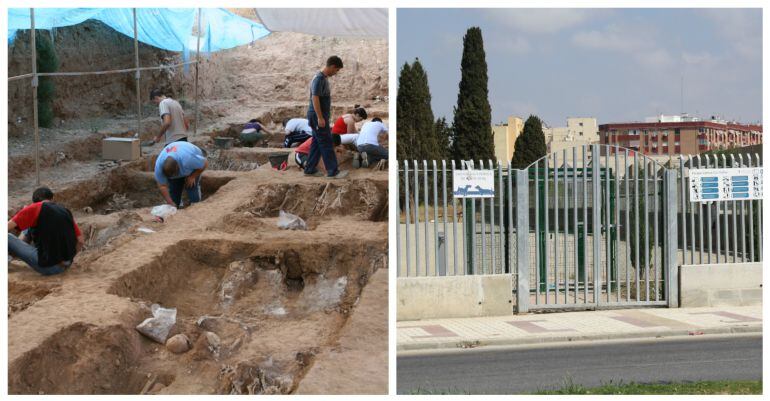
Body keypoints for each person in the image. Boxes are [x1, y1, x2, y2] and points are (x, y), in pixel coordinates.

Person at [8, 187, 84, 276]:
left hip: (48, 267)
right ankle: (17, 253)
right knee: (29, 226)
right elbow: (80, 241)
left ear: (34, 201)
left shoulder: (34, 208)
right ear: (52, 199)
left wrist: (24, 211)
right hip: (66, 265)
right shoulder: (65, 211)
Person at [304, 56, 348, 179]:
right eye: (337, 70)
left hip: (319, 116)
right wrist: (320, 117)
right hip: (317, 116)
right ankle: (333, 171)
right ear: (332, 66)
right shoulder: (318, 79)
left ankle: (310, 169)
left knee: (317, 143)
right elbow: (315, 98)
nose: (336, 73)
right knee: (326, 142)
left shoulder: (323, 78)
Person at [154, 141, 208, 208]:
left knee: (191, 187)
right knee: (174, 189)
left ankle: (196, 207)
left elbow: (205, 163)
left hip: (192, 158)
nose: (175, 177)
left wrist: (192, 176)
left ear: (178, 167)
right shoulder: (159, 167)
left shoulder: (188, 160)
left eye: (175, 175)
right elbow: (162, 186)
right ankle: (177, 207)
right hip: (180, 155)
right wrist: (170, 202)